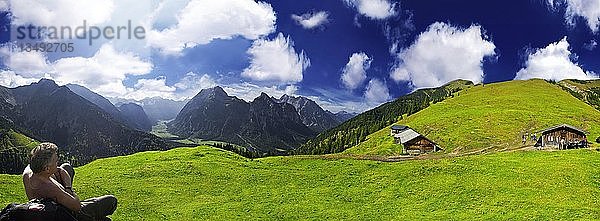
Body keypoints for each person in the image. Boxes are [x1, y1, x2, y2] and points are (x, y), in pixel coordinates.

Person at [22, 142, 117, 221]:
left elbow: (60, 170)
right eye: (55, 161)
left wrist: (60, 172)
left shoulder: (28, 172)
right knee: (111, 201)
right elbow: (77, 206)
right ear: (47, 168)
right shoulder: (51, 188)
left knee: (66, 167)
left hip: (49, 206)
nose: (58, 162)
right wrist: (68, 189)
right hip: (68, 213)